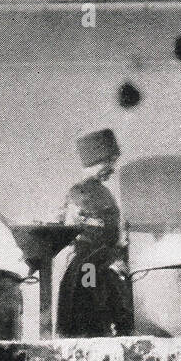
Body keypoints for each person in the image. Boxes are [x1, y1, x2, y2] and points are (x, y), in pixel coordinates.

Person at [57, 128, 132, 337]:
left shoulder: (99, 191)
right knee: (89, 308)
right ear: (95, 161)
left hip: (100, 264)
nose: (112, 169)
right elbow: (83, 228)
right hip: (88, 264)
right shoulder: (81, 192)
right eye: (108, 162)